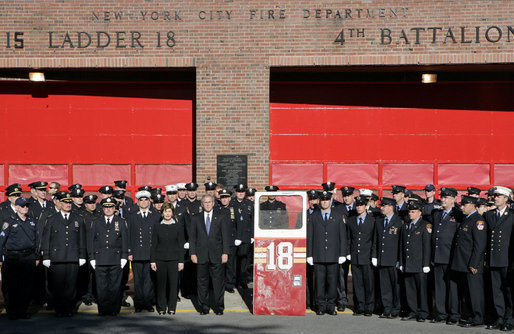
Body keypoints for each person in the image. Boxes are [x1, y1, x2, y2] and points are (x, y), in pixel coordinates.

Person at [41, 193, 87, 317]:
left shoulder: (78, 218)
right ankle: (59, 309)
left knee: (71, 286)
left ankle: (69, 309)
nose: (67, 205)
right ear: (60, 203)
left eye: (69, 203)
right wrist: (46, 256)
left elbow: (82, 238)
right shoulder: (51, 219)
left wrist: (82, 255)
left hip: (73, 256)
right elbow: (46, 239)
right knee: (58, 285)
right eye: (65, 203)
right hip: (57, 258)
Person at [307, 190, 347, 316]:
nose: (324, 202)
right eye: (322, 200)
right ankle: (320, 306)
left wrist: (342, 253)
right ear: (320, 201)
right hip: (318, 255)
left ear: (330, 201)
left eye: (327, 200)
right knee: (319, 283)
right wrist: (309, 254)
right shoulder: (313, 217)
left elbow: (342, 236)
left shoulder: (337, 216)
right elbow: (310, 237)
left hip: (333, 255)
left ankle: (330, 306)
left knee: (332, 282)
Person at [449, 195, 487, 327]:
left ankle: (478, 318)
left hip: (471, 264)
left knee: (475, 292)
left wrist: (474, 263)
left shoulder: (477, 221)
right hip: (464, 263)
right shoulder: (467, 219)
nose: (462, 207)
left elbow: (479, 245)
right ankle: (472, 315)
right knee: (468, 292)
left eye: (464, 205)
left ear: (472, 205)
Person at [189, 194, 230, 315]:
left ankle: (219, 306)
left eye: (209, 202)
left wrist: (225, 252)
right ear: (202, 204)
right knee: (202, 282)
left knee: (218, 282)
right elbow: (192, 238)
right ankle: (204, 306)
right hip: (201, 255)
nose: (207, 204)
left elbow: (225, 237)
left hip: (217, 255)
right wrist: (193, 253)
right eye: (205, 202)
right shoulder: (195, 218)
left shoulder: (221, 217)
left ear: (213, 203)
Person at [0, 197, 40, 320]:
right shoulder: (9, 222)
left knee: (26, 286)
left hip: (28, 257)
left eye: (27, 205)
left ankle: (22, 311)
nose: (25, 208)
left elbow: (37, 240)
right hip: (13, 257)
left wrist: (37, 257)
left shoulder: (32, 221)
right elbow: (1, 240)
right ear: (16, 207)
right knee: (12, 286)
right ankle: (12, 311)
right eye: (23, 206)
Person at [88, 197, 129, 316]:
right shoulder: (96, 221)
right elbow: (91, 241)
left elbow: (124, 240)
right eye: (106, 207)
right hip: (100, 259)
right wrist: (92, 257)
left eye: (111, 207)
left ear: (114, 208)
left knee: (115, 287)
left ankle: (114, 309)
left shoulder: (120, 221)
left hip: (116, 259)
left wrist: (124, 257)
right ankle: (103, 310)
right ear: (103, 208)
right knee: (102, 287)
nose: (108, 209)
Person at [484, 186, 514, 331]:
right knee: (496, 291)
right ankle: (500, 317)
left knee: (509, 291)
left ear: (506, 199)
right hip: (493, 258)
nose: (495, 198)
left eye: (498, 196)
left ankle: (510, 319)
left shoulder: (512, 215)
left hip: (508, 260)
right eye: (495, 196)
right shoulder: (489, 215)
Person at [430, 187, 462, 324]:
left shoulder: (458, 215)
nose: (442, 200)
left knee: (452, 288)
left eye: (446, 198)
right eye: (442, 197)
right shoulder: (437, 214)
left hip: (450, 257)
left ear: (454, 199)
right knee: (440, 287)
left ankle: (454, 314)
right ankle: (441, 313)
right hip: (438, 256)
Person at [399, 201, 431, 322]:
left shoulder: (425, 225)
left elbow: (427, 246)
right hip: (408, 262)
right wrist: (401, 262)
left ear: (420, 212)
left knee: (422, 290)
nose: (410, 214)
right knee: (410, 289)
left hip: (419, 263)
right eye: (409, 211)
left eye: (413, 212)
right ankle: (413, 311)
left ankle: (423, 312)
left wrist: (426, 264)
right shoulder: (406, 226)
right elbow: (402, 246)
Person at [150, 202, 185, 315]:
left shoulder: (178, 226)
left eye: (169, 211)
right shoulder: (157, 226)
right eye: (165, 211)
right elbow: (154, 244)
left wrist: (181, 261)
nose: (167, 214)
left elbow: (181, 245)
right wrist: (153, 261)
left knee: (173, 284)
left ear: (172, 212)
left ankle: (171, 307)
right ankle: (161, 307)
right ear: (162, 212)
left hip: (174, 260)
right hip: (160, 259)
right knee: (161, 285)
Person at [127, 190, 159, 313]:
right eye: (141, 200)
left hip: (150, 253)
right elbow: (128, 235)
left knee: (149, 280)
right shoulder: (132, 216)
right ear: (138, 202)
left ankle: (148, 303)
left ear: (149, 201)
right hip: (136, 253)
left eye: (146, 199)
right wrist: (129, 252)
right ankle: (139, 303)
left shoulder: (155, 216)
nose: (144, 202)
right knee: (138, 281)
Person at [372, 197, 402, 319]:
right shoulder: (379, 221)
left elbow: (401, 243)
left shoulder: (399, 222)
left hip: (393, 259)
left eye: (384, 206)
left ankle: (395, 308)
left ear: (390, 207)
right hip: (382, 259)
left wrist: (400, 259)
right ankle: (387, 308)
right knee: (385, 287)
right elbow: (376, 240)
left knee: (395, 286)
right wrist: (374, 256)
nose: (381, 208)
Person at [346, 196, 375, 316]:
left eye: (361, 205)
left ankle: (369, 307)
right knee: (357, 284)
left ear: (365, 206)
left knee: (368, 284)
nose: (358, 207)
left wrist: (373, 255)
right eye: (357, 205)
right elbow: (349, 238)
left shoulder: (372, 220)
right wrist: (348, 252)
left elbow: (374, 240)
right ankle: (360, 306)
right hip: (355, 256)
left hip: (367, 257)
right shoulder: (352, 220)